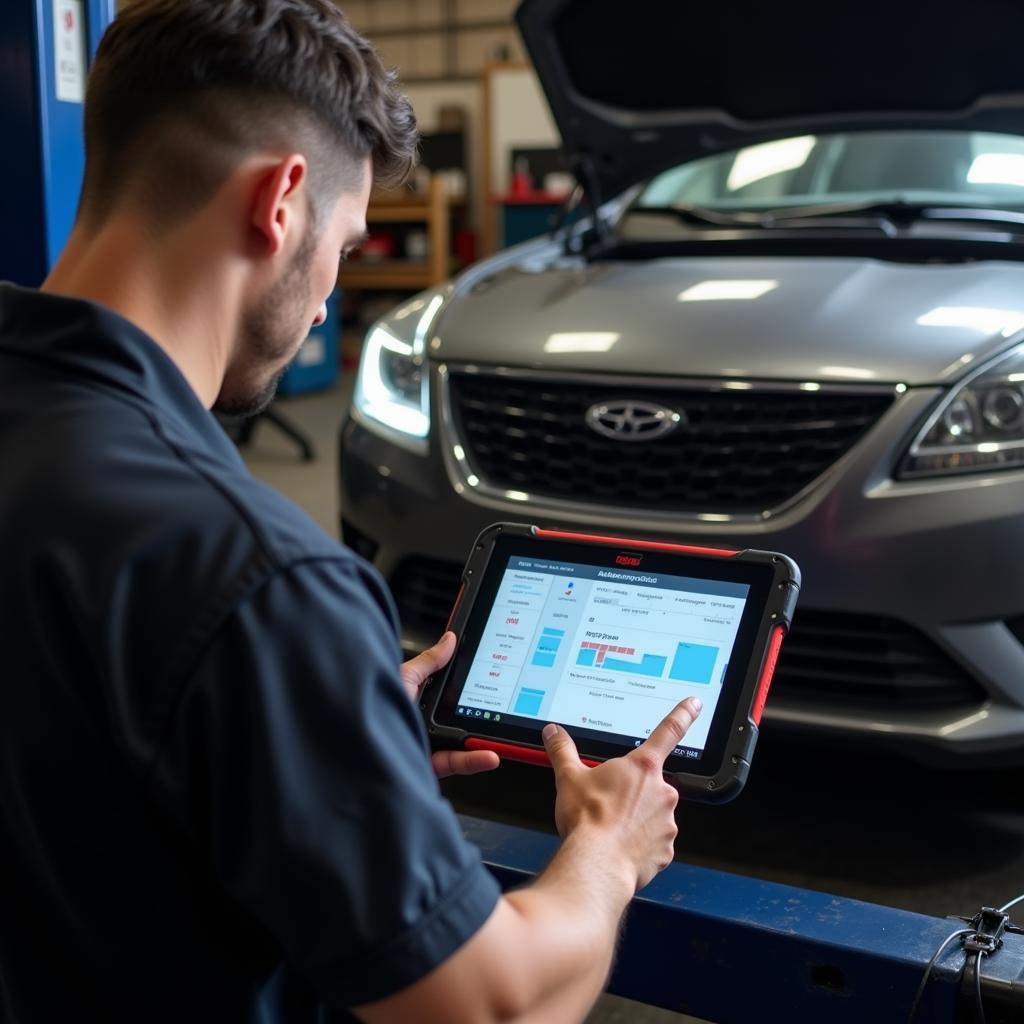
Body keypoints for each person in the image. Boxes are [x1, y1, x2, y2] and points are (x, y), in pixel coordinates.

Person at [0, 1, 703, 1021]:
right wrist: (609, 845)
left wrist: (305, 743)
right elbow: (487, 1005)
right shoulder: (259, 578)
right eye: (347, 239)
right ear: (281, 201)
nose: (331, 290)